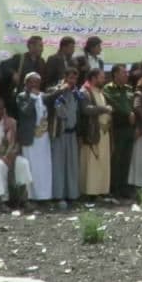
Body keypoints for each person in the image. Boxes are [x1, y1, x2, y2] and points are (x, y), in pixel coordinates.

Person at [16, 73, 54, 207]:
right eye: (31, 82)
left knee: (44, 167)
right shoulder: (22, 96)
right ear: (26, 83)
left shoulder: (42, 96)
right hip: (30, 138)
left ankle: (45, 196)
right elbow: (26, 111)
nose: (34, 85)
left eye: (37, 82)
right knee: (31, 167)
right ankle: (31, 197)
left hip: (43, 137)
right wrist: (32, 97)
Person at [77, 68, 113, 198]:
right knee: (92, 163)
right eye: (101, 77)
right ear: (93, 78)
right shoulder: (84, 92)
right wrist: (104, 109)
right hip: (92, 132)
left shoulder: (100, 92)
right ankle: (90, 192)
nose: (104, 80)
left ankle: (101, 191)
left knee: (102, 163)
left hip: (104, 132)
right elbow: (86, 109)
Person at [49, 68, 81, 203]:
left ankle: (72, 195)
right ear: (65, 77)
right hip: (59, 133)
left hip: (72, 133)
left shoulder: (76, 93)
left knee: (71, 165)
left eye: (75, 78)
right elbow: (53, 104)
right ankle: (58, 195)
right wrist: (61, 90)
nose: (73, 81)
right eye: (70, 78)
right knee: (59, 164)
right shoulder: (55, 90)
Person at [105, 64, 136, 198]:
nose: (126, 75)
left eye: (126, 72)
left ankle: (124, 187)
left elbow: (133, 105)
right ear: (115, 74)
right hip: (117, 128)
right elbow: (113, 104)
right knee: (116, 159)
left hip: (129, 128)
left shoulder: (128, 89)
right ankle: (114, 188)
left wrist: (132, 114)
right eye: (123, 72)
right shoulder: (108, 89)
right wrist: (128, 113)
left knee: (126, 159)